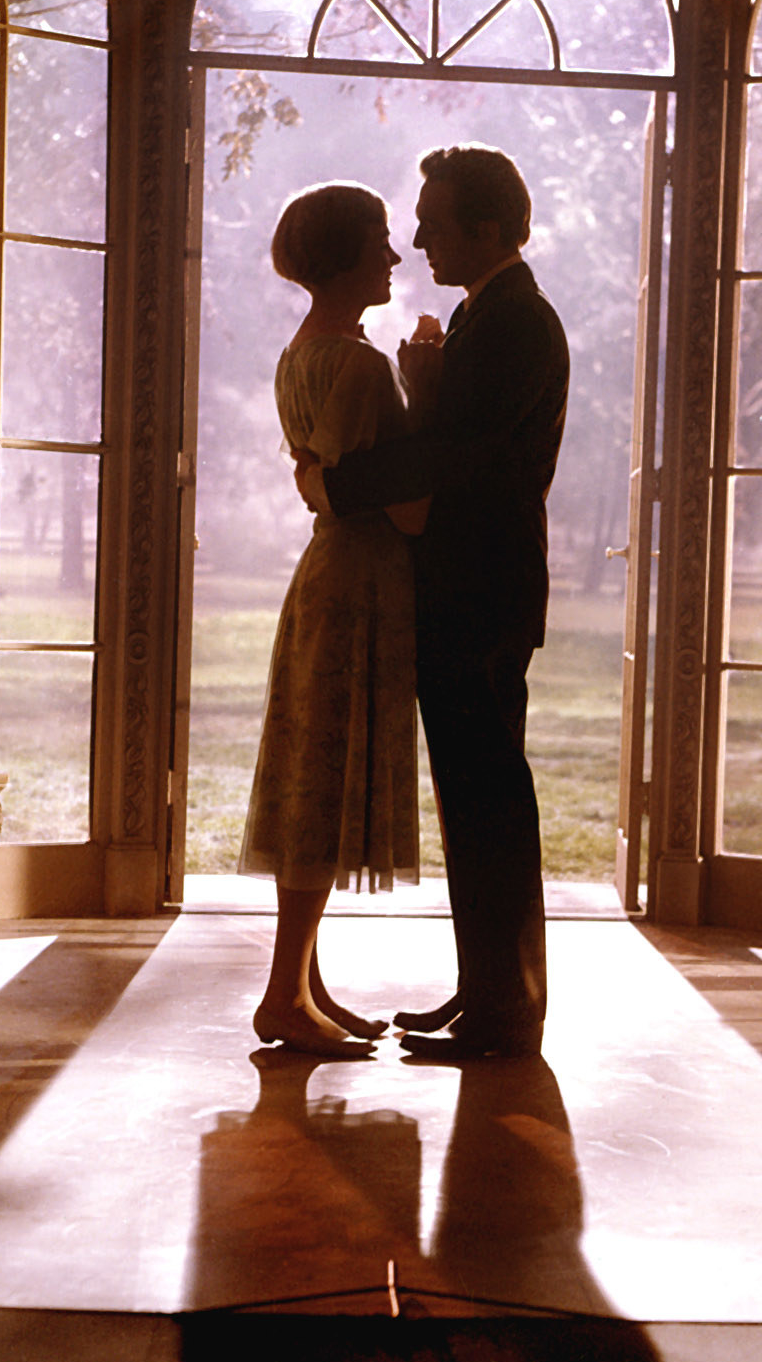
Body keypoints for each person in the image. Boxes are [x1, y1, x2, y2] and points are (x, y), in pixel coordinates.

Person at [300, 145, 569, 1061]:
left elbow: (454, 454)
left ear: (487, 230)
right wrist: (427, 385)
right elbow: (458, 439)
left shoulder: (515, 324)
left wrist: (334, 484)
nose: (415, 238)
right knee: (476, 799)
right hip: (470, 588)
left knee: (489, 799)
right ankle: (486, 993)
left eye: (434, 221)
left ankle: (506, 1010)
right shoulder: (484, 317)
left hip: (480, 592)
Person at [241, 183, 429, 1055]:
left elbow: (319, 473)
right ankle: (284, 993)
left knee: (309, 768)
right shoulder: (358, 364)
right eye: (379, 241)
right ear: (344, 256)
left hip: (326, 573)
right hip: (358, 582)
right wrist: (424, 400)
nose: (394, 257)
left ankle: (304, 985)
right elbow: (408, 509)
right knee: (320, 782)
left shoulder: (300, 352)